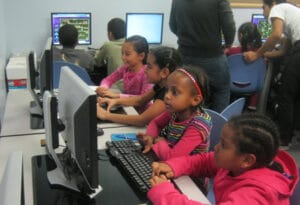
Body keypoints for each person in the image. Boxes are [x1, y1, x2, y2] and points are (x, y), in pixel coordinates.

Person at [147, 113, 299, 205]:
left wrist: (164, 193)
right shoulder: (237, 162)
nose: (216, 147)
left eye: (224, 145)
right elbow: (205, 161)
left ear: (247, 160)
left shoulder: (255, 194)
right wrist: (173, 166)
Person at [243, 0, 300, 148]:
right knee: (296, 95)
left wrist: (256, 54)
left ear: (272, 3)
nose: (263, 12)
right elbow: (283, 51)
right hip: (297, 48)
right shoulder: (292, 15)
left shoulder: (277, 8)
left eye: (263, 8)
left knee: (286, 95)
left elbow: (274, 35)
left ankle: (284, 140)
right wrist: (263, 54)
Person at [169, 0, 236, 112]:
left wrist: (187, 39)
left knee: (185, 95)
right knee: (221, 91)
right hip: (212, 56)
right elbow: (229, 25)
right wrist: (228, 43)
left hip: (185, 56)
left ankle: (189, 127)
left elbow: (173, 25)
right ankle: (217, 127)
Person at [138, 66, 211, 161]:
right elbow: (156, 123)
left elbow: (173, 158)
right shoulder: (175, 110)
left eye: (175, 92)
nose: (167, 96)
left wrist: (159, 142)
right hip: (168, 162)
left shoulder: (199, 125)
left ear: (195, 100)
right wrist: (150, 137)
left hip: (189, 174)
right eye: (167, 89)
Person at [97, 46, 182, 127]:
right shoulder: (160, 85)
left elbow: (141, 120)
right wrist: (116, 101)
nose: (145, 70)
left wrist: (106, 115)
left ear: (164, 72)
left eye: (149, 66)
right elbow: (140, 100)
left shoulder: (167, 94)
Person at [96, 35, 153, 104]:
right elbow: (109, 79)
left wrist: (117, 96)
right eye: (122, 53)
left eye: (127, 54)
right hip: (128, 106)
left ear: (141, 56)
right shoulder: (125, 68)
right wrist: (103, 87)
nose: (123, 57)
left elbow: (142, 98)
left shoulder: (147, 73)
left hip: (142, 112)